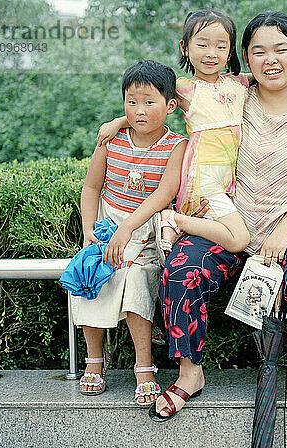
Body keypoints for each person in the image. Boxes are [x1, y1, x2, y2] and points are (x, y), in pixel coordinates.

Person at [148, 11, 287, 421]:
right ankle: (189, 374)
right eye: (258, 51)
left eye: (281, 49)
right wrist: (117, 121)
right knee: (183, 270)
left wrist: (284, 230)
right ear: (246, 59)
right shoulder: (233, 96)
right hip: (228, 222)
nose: (270, 59)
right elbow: (153, 98)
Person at [98, 10, 287, 261]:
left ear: (230, 51)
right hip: (204, 177)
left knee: (220, 233)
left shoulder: (238, 83)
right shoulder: (185, 88)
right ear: (185, 47)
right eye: (202, 44)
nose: (211, 53)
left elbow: (269, 76)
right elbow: (151, 106)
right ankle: (172, 219)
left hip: (226, 178)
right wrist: (118, 122)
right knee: (238, 239)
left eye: (220, 46)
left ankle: (175, 229)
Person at [74, 60, 187, 407]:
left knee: (137, 278)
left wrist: (128, 228)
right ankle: (95, 358)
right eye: (131, 101)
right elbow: (92, 187)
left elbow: (163, 195)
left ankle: (144, 366)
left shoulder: (176, 145)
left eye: (149, 102)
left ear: (170, 106)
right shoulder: (111, 139)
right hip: (107, 226)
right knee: (89, 273)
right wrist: (89, 230)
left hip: (145, 232)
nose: (139, 110)